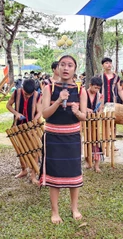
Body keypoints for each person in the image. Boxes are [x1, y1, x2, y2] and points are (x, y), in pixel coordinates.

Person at [40, 55, 87, 224]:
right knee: (55, 175)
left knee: (74, 173)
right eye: (63, 65)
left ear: (75, 69)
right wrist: (59, 100)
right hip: (53, 137)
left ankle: (74, 208)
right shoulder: (49, 88)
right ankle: (55, 211)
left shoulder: (81, 90)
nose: (66, 68)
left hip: (72, 137)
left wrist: (77, 112)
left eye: (70, 65)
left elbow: (84, 117)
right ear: (57, 68)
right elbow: (44, 114)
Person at [6, 78, 42, 184]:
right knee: (21, 150)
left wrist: (34, 123)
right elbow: (8, 105)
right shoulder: (16, 93)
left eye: (29, 95)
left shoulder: (37, 95)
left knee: (34, 150)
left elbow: (39, 112)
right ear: (22, 88)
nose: (27, 96)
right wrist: (16, 114)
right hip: (18, 127)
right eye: (26, 94)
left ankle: (33, 175)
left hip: (32, 128)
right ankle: (23, 170)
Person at [85, 76, 104, 172]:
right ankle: (88, 161)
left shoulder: (99, 95)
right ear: (90, 85)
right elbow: (80, 106)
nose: (96, 90)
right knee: (87, 142)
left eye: (98, 88)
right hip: (85, 122)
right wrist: (86, 109)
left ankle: (97, 164)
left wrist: (99, 112)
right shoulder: (83, 93)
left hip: (95, 122)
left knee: (96, 142)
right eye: (95, 88)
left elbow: (101, 107)